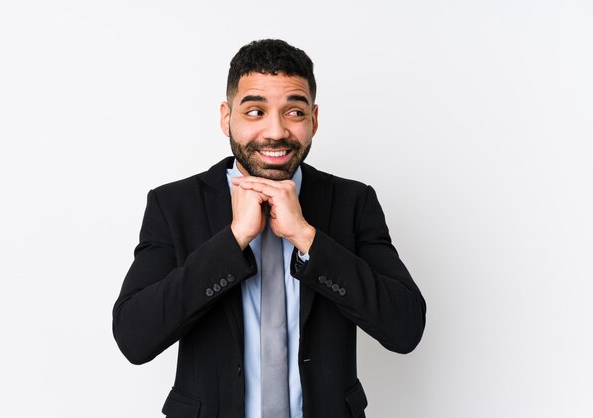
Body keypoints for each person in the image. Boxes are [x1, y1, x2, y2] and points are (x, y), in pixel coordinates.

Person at [113, 39, 426, 418]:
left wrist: (306, 237)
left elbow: (405, 328)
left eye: (293, 111)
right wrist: (232, 241)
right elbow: (134, 337)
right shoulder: (174, 204)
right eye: (256, 111)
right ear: (226, 117)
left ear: (314, 119)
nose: (275, 131)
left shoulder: (353, 202)